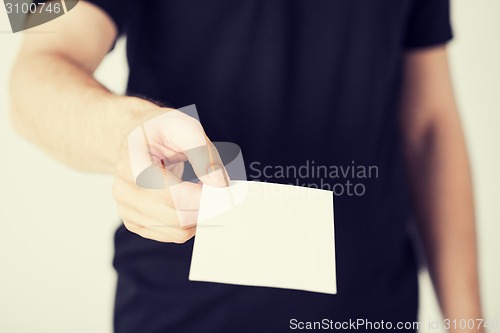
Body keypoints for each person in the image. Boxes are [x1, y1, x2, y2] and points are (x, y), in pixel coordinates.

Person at [9, 0, 483, 332]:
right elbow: (36, 65)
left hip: (374, 310)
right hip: (183, 314)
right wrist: (128, 130)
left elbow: (428, 128)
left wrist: (469, 325)